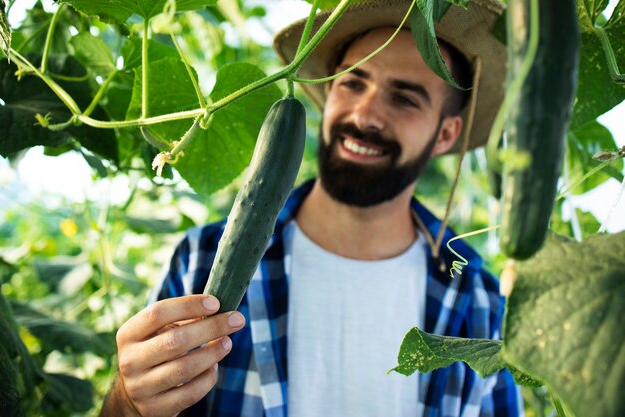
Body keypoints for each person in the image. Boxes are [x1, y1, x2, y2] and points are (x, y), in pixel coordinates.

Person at [100, 0, 524, 416]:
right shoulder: (201, 260)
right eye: (353, 83)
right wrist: (128, 403)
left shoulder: (479, 299)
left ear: (447, 133)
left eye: (404, 99)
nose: (365, 113)